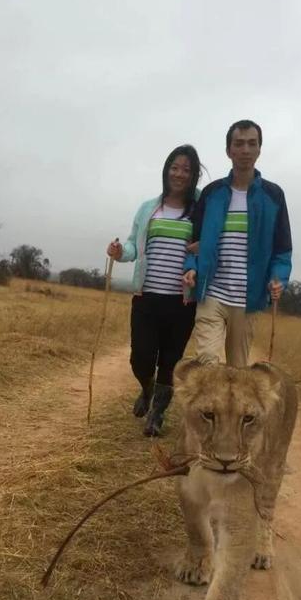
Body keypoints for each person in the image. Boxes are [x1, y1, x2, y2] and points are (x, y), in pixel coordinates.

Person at [107, 144, 202, 437]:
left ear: (194, 174)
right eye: (175, 167)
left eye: (186, 169)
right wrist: (121, 251)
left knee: (170, 361)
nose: (179, 174)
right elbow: (136, 246)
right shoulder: (150, 208)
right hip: (146, 297)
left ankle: (157, 415)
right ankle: (146, 390)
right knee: (141, 357)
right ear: (166, 170)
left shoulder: (201, 208)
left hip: (181, 302)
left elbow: (209, 245)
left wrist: (200, 257)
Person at [183, 119, 292, 367]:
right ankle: (208, 407)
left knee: (237, 371)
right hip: (211, 294)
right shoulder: (212, 193)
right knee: (207, 365)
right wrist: (191, 267)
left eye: (251, 144)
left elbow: (282, 249)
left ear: (259, 149)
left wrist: (278, 279)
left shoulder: (273, 196)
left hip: (248, 301)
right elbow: (193, 241)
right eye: (239, 144)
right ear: (228, 150)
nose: (245, 150)